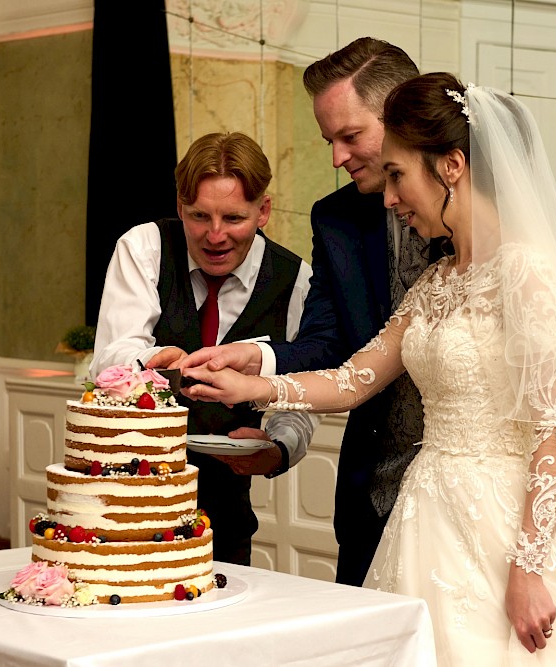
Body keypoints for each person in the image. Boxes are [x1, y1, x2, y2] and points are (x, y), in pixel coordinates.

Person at [183, 73, 556, 665]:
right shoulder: (436, 282)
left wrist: (528, 569)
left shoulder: (527, 274)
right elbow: (353, 380)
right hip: (427, 517)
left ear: (451, 166)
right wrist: (251, 383)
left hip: (504, 529)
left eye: (400, 175)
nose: (389, 196)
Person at [180, 37, 437, 585]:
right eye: (329, 140)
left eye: (350, 136)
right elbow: (329, 343)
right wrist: (254, 359)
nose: (337, 157)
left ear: (404, 115)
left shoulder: (487, 229)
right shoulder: (336, 218)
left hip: (477, 494)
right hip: (373, 491)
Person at [90, 131, 317, 566]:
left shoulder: (295, 281)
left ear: (263, 211)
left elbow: (298, 390)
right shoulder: (145, 248)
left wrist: (280, 448)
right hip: (126, 497)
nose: (215, 236)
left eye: (233, 218)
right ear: (179, 206)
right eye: (199, 216)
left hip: (225, 512)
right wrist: (157, 365)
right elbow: (110, 358)